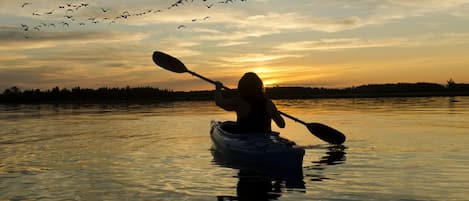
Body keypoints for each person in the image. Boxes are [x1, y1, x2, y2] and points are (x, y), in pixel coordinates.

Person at [214, 72, 285, 133]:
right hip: (265, 139)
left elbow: (219, 102)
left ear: (242, 87)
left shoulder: (239, 102)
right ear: (259, 86)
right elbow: (282, 125)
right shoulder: (268, 103)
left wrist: (218, 89)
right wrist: (275, 113)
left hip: (244, 139)